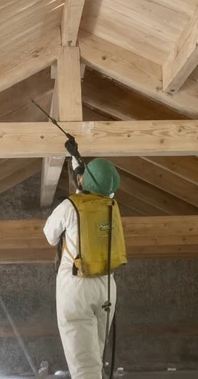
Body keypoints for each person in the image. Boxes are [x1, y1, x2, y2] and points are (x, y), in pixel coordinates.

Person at [43, 158, 126, 379]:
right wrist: (80, 169)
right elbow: (98, 190)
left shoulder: (70, 206)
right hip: (106, 286)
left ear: (83, 181)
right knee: (94, 358)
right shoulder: (111, 204)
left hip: (77, 286)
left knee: (83, 364)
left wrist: (81, 179)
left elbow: (50, 235)